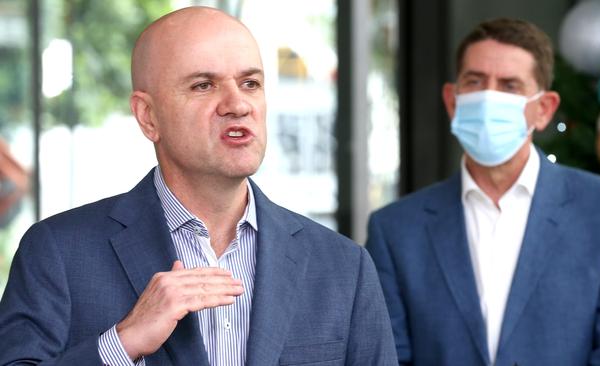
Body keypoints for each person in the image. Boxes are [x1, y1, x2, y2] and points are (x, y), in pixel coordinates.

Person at [0, 7, 397, 365]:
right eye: (204, 85)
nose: (237, 104)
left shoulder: (344, 267)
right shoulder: (57, 253)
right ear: (147, 116)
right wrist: (122, 344)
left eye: (250, 83)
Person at [366, 18, 600, 366]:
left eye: (510, 85)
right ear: (452, 101)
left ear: (543, 109)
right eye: (475, 81)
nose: (489, 97)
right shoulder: (395, 230)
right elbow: (387, 357)